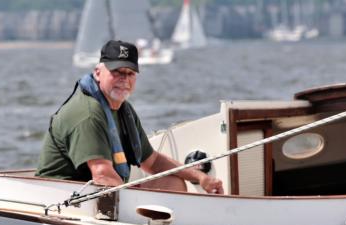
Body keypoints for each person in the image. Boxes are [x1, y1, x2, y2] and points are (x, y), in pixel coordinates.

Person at [36, 40, 223, 195]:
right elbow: (102, 175)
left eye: (130, 73)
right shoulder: (88, 114)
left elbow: (153, 161)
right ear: (97, 73)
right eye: (116, 72)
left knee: (172, 183)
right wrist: (134, 204)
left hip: (98, 194)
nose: (124, 79)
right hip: (60, 199)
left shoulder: (123, 109)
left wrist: (200, 177)